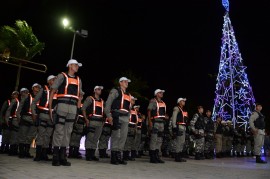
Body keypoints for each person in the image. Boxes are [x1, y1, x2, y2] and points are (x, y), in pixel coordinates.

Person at [49, 59, 84, 166]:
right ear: (70, 65)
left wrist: (78, 110)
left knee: (68, 131)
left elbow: (80, 96)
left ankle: (63, 156)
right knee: (59, 130)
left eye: (78, 65)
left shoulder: (79, 80)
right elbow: (53, 91)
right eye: (76, 65)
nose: (77, 67)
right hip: (62, 105)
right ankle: (55, 156)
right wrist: (50, 107)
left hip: (73, 108)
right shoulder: (61, 76)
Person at [104, 77, 132, 165]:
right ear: (120, 83)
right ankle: (114, 157)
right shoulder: (115, 91)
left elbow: (129, 108)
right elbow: (108, 103)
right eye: (125, 81)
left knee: (123, 137)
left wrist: (128, 117)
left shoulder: (128, 94)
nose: (127, 83)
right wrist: (109, 116)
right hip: (117, 116)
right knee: (116, 136)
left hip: (125, 118)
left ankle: (119, 156)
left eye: (127, 82)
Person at [31, 75, 56, 161]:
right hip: (43, 114)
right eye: (53, 80)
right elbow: (34, 102)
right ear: (49, 81)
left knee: (48, 136)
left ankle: (44, 155)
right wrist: (34, 114)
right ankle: (38, 155)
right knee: (41, 134)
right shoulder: (43, 90)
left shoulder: (57, 91)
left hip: (51, 116)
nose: (55, 81)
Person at [17, 83, 41, 158]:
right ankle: (21, 153)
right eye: (35, 87)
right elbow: (19, 108)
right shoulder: (27, 96)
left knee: (30, 136)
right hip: (25, 117)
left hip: (34, 119)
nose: (37, 89)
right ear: (32, 88)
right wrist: (19, 118)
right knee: (23, 135)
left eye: (38, 87)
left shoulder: (41, 98)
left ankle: (26, 152)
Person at [82, 85, 105, 161]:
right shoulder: (90, 99)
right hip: (91, 121)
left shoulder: (102, 101)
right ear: (94, 90)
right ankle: (88, 155)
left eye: (100, 90)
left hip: (100, 123)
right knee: (90, 138)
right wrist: (86, 119)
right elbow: (83, 108)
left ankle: (92, 154)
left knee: (96, 139)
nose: (100, 91)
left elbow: (104, 112)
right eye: (98, 89)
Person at [147, 89, 166, 163]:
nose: (162, 94)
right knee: (154, 139)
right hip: (155, 122)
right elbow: (149, 111)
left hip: (161, 123)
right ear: (156, 94)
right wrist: (149, 121)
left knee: (159, 140)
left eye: (162, 93)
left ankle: (157, 156)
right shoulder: (153, 101)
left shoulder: (163, 102)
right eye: (160, 93)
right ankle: (152, 157)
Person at [171, 97, 188, 162]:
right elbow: (174, 118)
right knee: (179, 142)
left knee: (182, 142)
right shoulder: (176, 108)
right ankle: (177, 156)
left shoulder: (183, 110)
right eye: (183, 101)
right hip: (179, 126)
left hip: (183, 127)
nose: (184, 102)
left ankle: (180, 155)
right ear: (179, 102)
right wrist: (174, 127)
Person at [123, 96, 138, 161]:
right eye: (133, 100)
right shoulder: (127, 107)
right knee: (126, 141)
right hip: (127, 126)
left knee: (130, 142)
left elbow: (135, 120)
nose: (134, 101)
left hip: (132, 127)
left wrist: (135, 128)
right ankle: (125, 156)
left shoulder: (134, 110)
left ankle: (127, 155)